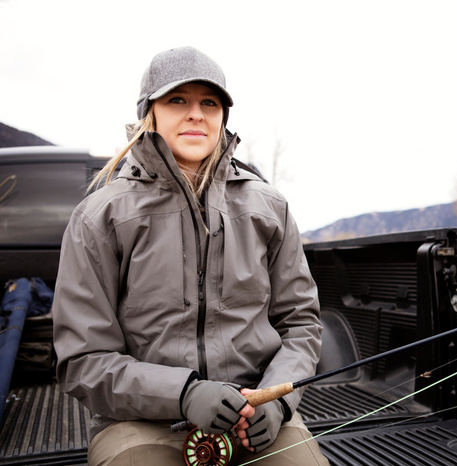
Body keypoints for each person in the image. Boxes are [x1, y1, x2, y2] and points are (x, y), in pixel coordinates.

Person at [52, 46, 329, 466]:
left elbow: (301, 324)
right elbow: (82, 360)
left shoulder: (270, 208)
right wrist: (183, 393)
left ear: (222, 117)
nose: (196, 113)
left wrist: (278, 403)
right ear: (151, 112)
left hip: (255, 416)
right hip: (140, 421)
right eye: (178, 100)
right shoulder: (100, 216)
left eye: (210, 103)